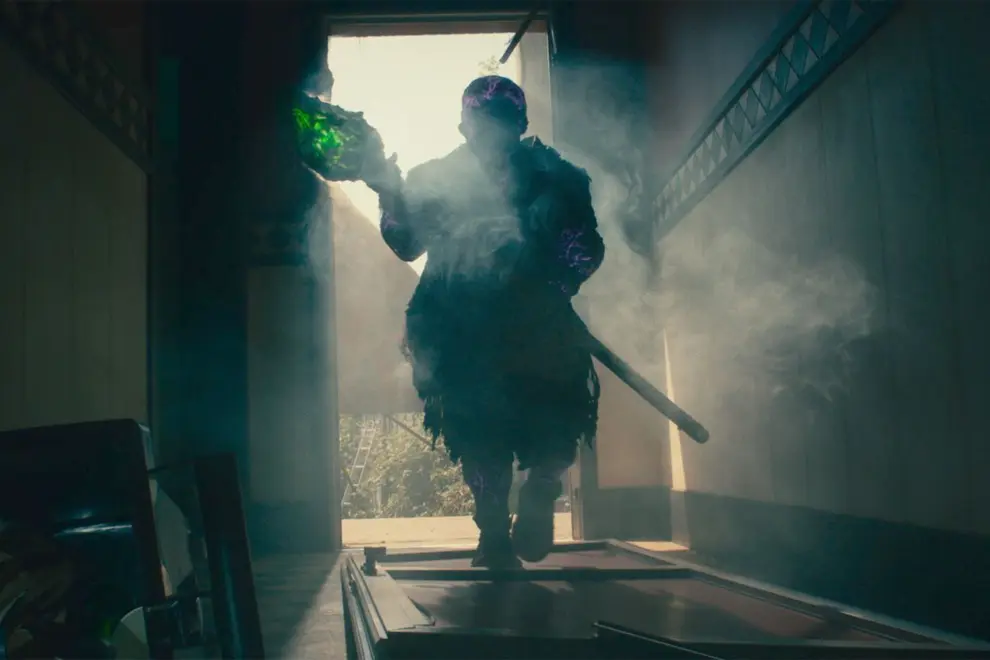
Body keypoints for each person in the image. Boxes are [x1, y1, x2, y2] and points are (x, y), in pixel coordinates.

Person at [360, 75, 605, 568]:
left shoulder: (556, 178)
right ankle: (493, 530)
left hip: (535, 327)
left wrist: (548, 269)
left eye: (501, 121)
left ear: (519, 125)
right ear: (464, 126)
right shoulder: (435, 180)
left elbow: (585, 253)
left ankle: (538, 493)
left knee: (554, 425)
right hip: (460, 330)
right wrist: (389, 193)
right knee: (479, 433)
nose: (491, 132)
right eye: (482, 122)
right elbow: (406, 243)